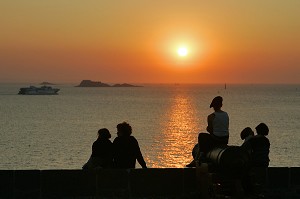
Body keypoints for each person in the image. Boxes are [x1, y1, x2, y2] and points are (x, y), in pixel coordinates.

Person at [196, 96, 229, 165]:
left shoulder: (211, 116)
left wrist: (207, 128)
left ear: (213, 106)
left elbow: (210, 131)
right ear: (221, 105)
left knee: (201, 136)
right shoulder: (226, 114)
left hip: (216, 139)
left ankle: (201, 154)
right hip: (225, 139)